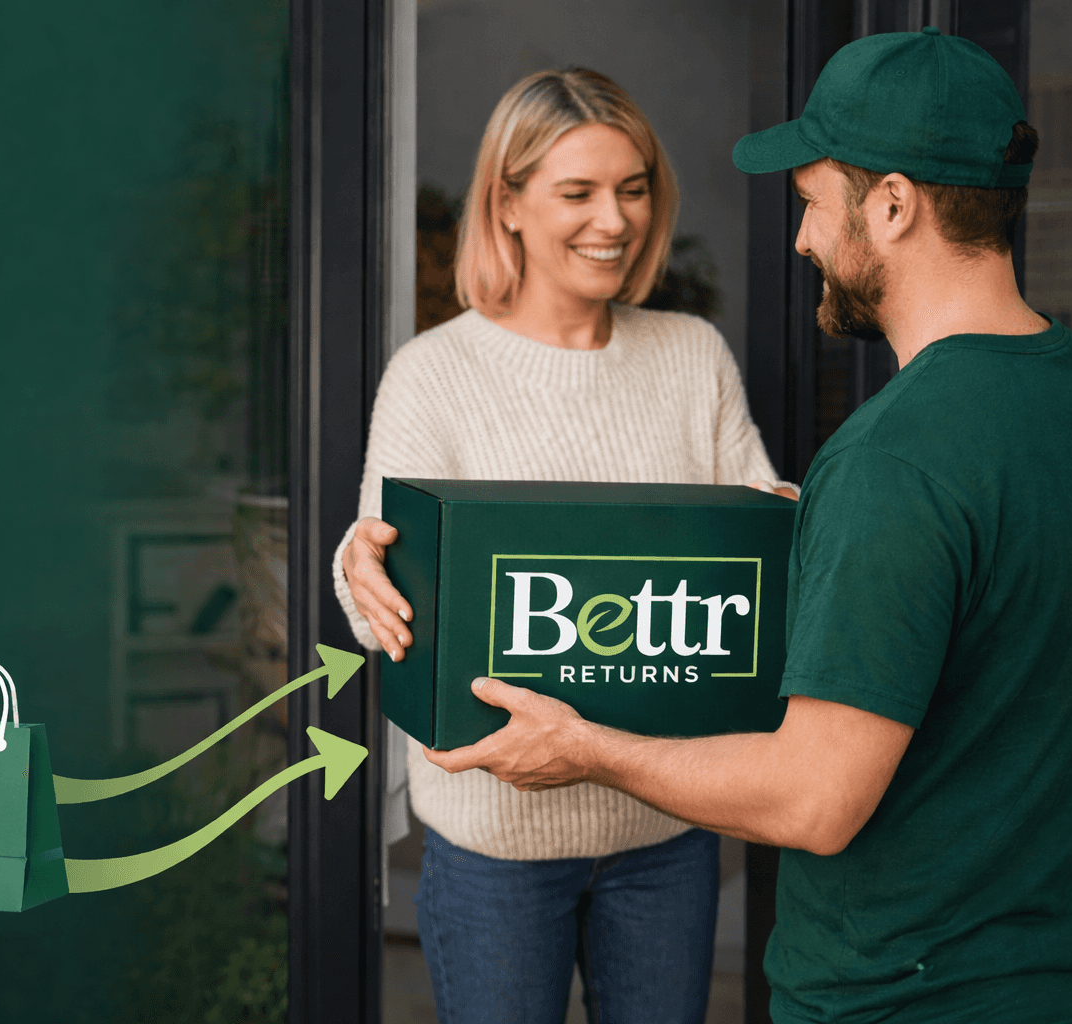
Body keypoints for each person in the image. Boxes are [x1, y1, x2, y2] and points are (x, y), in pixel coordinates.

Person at [425, 28, 1072, 1024]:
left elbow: (813, 799)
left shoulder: (895, 457)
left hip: (907, 996)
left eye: (811, 202)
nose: (799, 240)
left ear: (890, 205)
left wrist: (590, 747)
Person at [334, 68, 786, 1024]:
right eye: (577, 193)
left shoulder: (691, 354)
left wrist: (788, 525)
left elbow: (755, 554)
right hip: (494, 849)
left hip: (667, 828)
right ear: (507, 203)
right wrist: (362, 570)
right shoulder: (434, 375)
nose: (613, 221)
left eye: (633, 188)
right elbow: (382, 586)